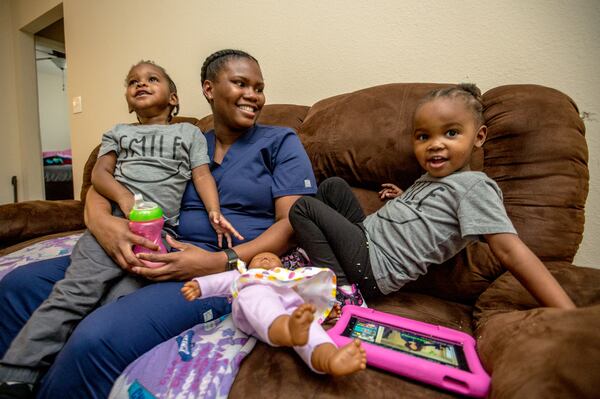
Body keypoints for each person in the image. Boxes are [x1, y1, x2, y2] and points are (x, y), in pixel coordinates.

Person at [0, 49, 317, 399]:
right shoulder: (183, 138)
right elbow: (102, 184)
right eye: (241, 84)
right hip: (152, 244)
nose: (253, 96)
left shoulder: (281, 142)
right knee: (18, 285)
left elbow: (292, 223)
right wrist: (106, 226)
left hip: (219, 268)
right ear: (209, 89)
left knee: (97, 336)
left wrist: (215, 263)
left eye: (259, 87)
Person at [289, 83, 576, 310]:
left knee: (304, 208)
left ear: (479, 137)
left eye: (451, 133)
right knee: (333, 185)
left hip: (374, 266)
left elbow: (510, 250)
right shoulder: (432, 178)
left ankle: (343, 291)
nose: (435, 145)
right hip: (365, 237)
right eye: (424, 137)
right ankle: (313, 258)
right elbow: (428, 214)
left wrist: (564, 309)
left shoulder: (474, 188)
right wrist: (402, 198)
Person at [181, 252, 366, 376]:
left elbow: (308, 299)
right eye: (260, 257)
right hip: (251, 310)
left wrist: (324, 312)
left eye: (271, 257)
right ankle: (285, 329)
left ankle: (328, 358)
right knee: (259, 297)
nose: (266, 259)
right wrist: (200, 286)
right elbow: (221, 282)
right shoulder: (245, 275)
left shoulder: (289, 279)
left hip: (292, 314)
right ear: (248, 265)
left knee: (310, 327)